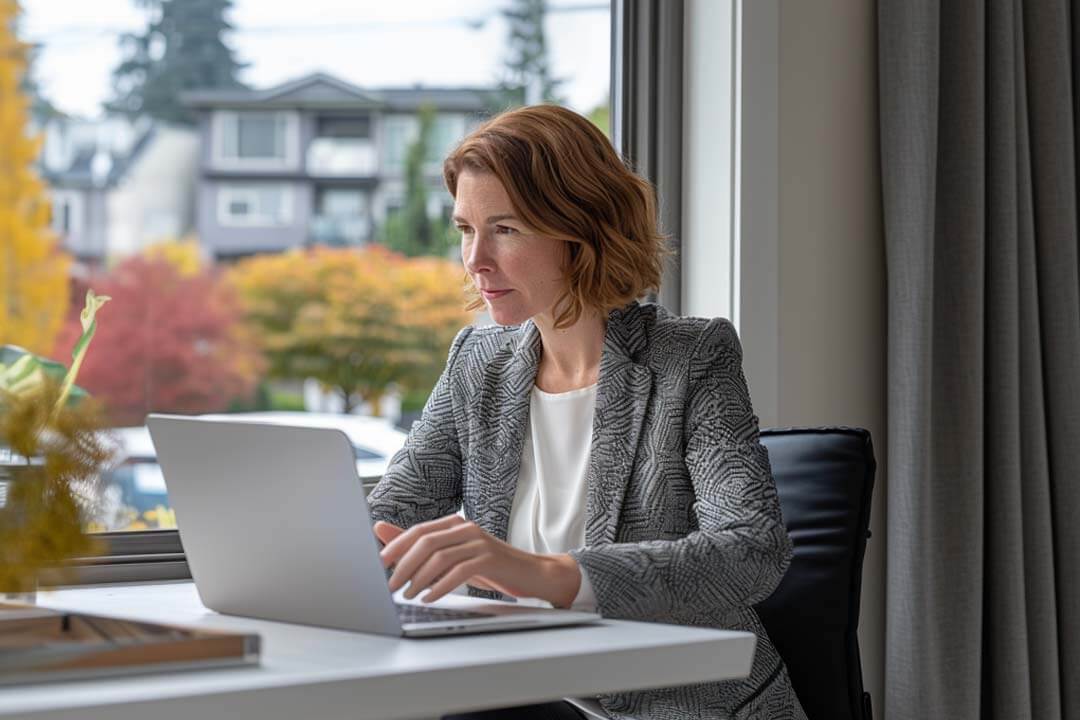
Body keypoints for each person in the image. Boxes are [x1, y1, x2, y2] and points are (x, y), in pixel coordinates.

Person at [366, 104, 806, 720]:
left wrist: (545, 574)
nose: (475, 259)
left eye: (506, 229)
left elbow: (750, 552)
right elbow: (391, 514)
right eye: (465, 229)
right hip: (516, 694)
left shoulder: (691, 358)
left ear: (582, 230)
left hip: (677, 705)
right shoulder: (478, 361)